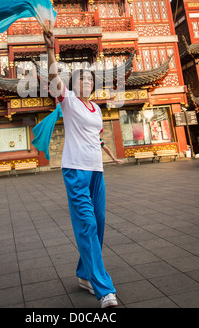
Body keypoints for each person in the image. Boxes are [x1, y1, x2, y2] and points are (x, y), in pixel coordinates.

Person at [43, 27, 124, 309]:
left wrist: (112, 158)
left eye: (90, 78)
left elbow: (97, 138)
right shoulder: (69, 101)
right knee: (87, 224)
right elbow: (54, 78)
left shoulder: (97, 110)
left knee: (98, 226)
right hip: (75, 171)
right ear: (75, 84)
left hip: (96, 172)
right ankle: (104, 290)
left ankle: (83, 274)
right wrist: (51, 50)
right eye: (82, 78)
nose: (87, 81)